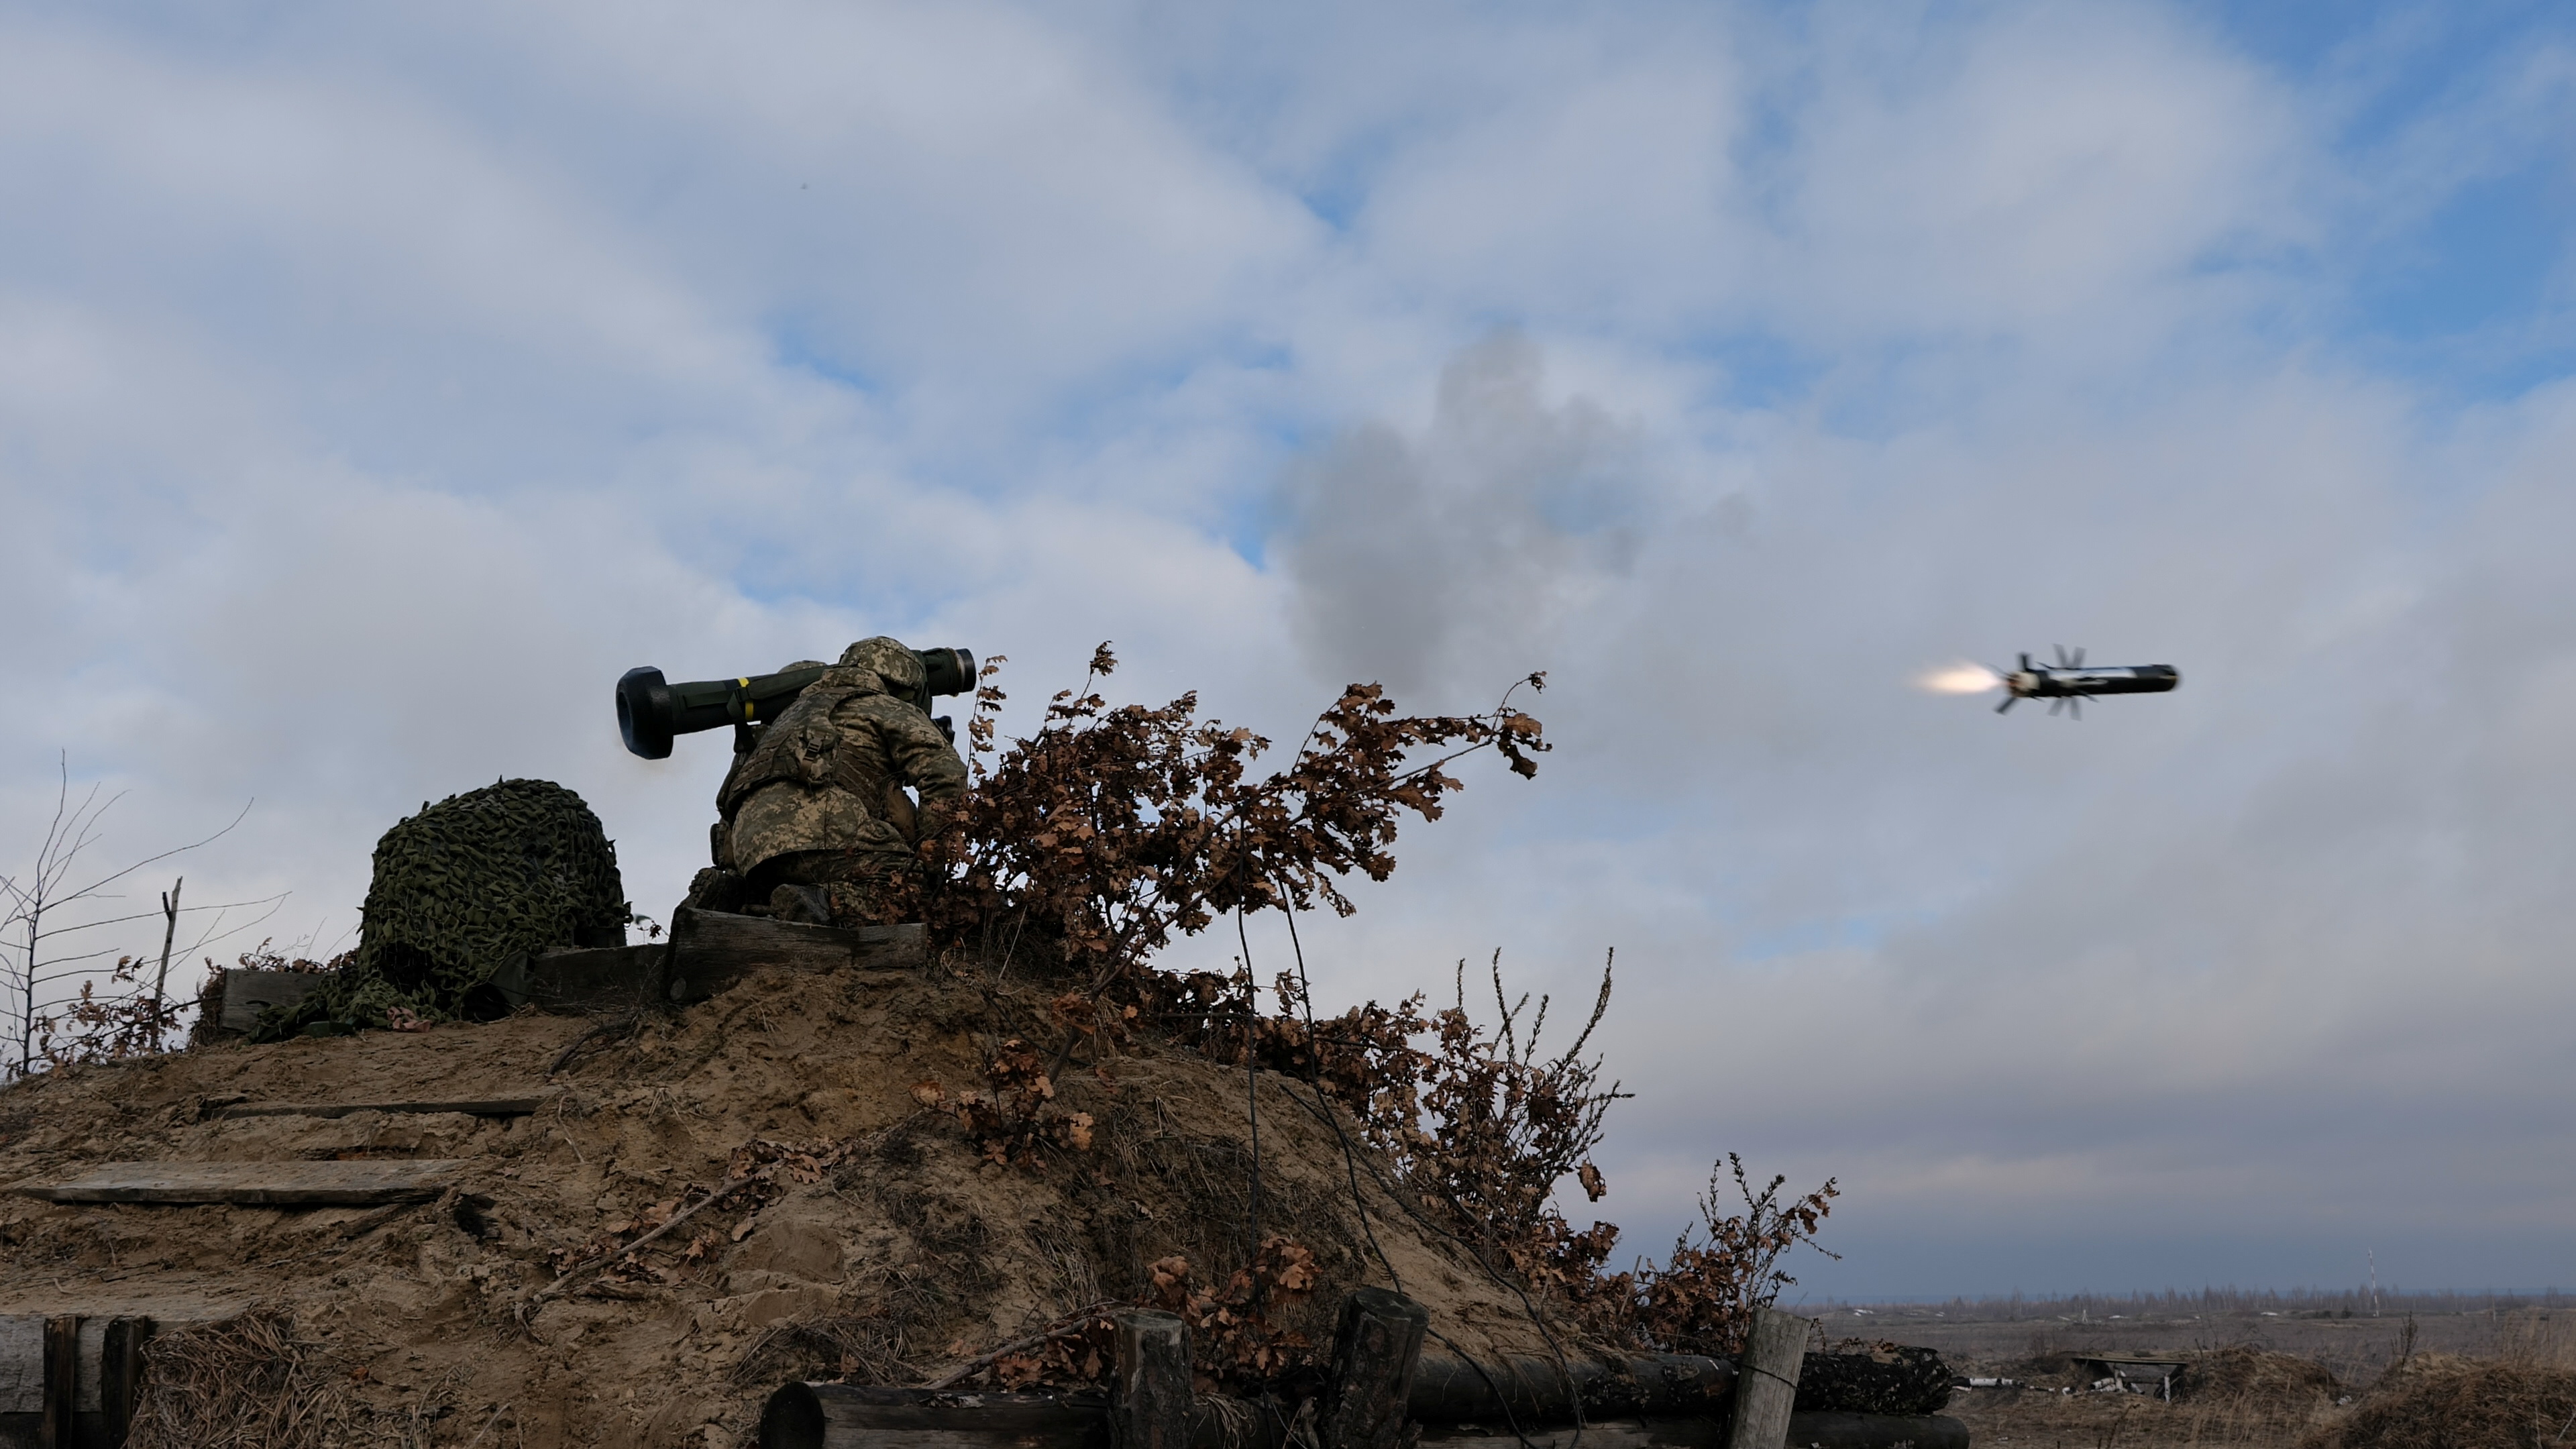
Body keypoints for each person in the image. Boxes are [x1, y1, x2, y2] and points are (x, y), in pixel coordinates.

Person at [701, 637, 967, 924]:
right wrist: (932, 858)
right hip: (829, 837)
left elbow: (727, 800)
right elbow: (945, 776)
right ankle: (825, 901)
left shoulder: (783, 718)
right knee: (908, 891)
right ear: (905, 686)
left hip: (752, 851)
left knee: (779, 887)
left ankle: (732, 895)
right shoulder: (885, 706)